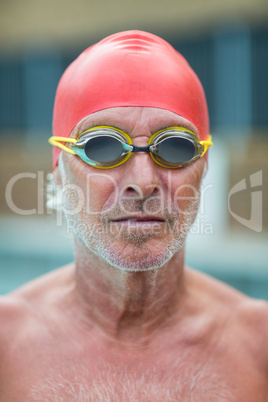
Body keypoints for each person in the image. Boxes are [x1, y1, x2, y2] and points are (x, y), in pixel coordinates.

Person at [0, 31, 267, 401]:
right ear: (59, 172)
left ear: (203, 169)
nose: (142, 183)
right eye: (102, 146)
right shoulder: (6, 348)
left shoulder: (259, 348)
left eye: (175, 147)